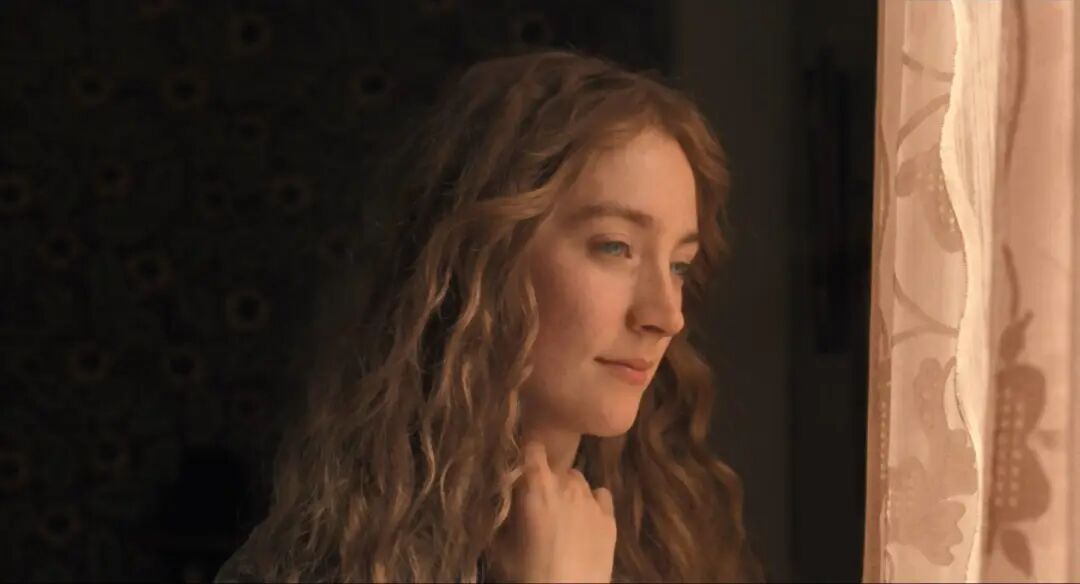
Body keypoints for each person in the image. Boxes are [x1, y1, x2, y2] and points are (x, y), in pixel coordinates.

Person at [215, 48, 763, 583]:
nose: (667, 315)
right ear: (484, 258)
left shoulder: (675, 547)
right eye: (615, 247)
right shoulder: (312, 566)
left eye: (679, 265)